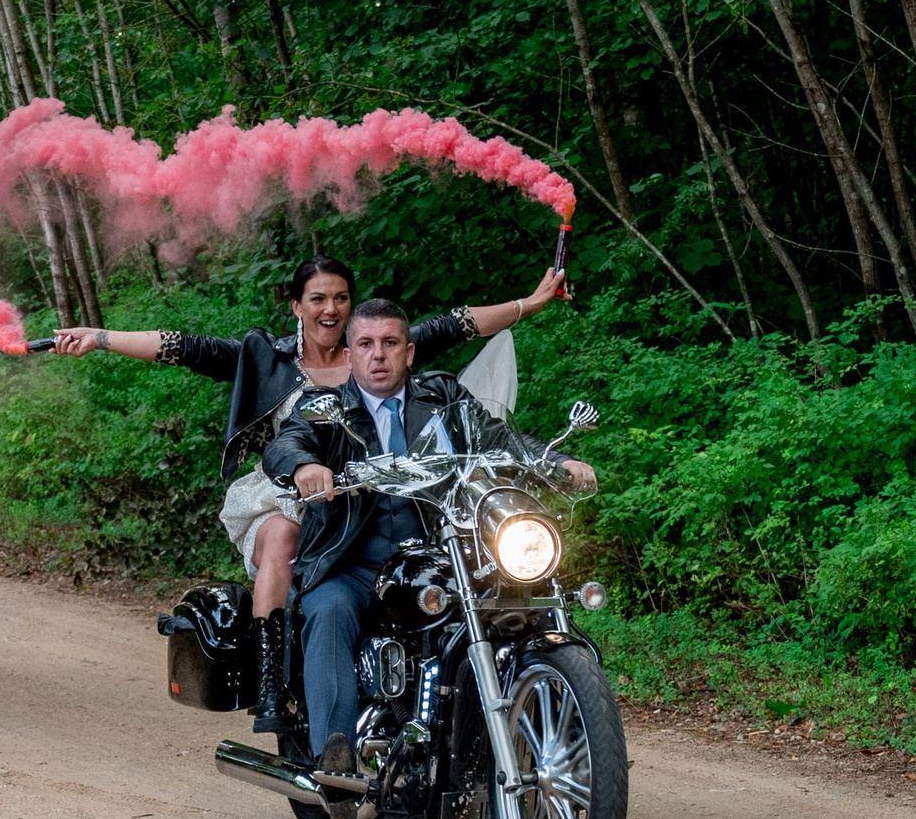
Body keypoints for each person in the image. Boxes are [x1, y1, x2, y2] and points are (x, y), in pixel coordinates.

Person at [48, 256, 562, 725]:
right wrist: (101, 337)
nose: (331, 308)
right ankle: (271, 682)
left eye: (341, 297)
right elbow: (185, 348)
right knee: (282, 537)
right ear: (297, 306)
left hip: (376, 492)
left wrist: (530, 303)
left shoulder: (374, 348)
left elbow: (458, 324)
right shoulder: (266, 358)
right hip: (288, 486)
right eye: (317, 298)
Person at [263, 296, 596, 786]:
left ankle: (573, 738)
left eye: (390, 343)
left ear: (410, 352)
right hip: (354, 564)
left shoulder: (443, 397)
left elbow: (499, 437)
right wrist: (305, 465)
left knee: (524, 601)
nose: (378, 355)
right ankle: (334, 757)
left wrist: (555, 462)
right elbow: (286, 443)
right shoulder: (326, 407)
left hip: (442, 557)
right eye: (366, 344)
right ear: (351, 354)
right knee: (328, 611)